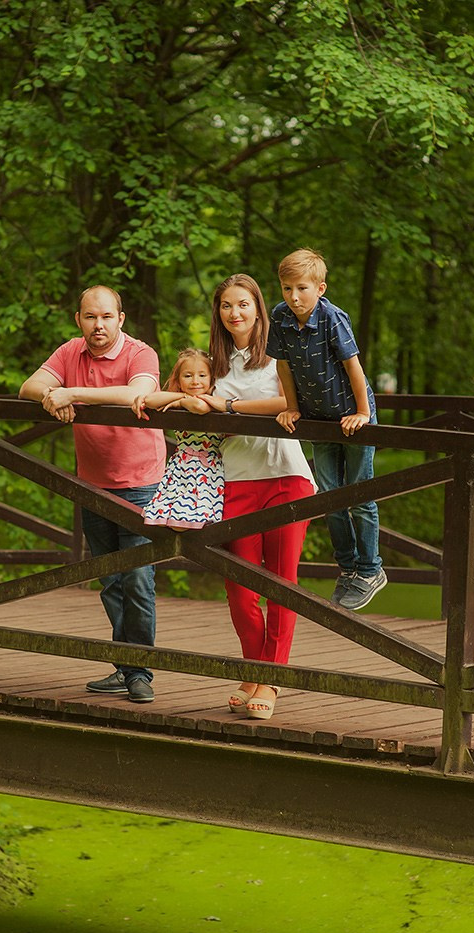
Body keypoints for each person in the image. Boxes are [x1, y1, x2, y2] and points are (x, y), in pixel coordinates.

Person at [18, 284, 166, 704]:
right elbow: (28, 385)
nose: (98, 325)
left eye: (106, 317)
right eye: (89, 317)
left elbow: (135, 394)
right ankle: (124, 666)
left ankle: (139, 672)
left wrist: (72, 393)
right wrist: (51, 395)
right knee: (110, 580)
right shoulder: (70, 352)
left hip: (142, 481)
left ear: (121, 319)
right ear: (79, 320)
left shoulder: (141, 352)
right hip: (93, 483)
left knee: (138, 577)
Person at [197, 273, 316, 721]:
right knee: (240, 587)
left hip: (286, 477)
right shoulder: (215, 364)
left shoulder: (279, 354)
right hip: (236, 480)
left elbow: (288, 399)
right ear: (219, 313)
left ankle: (270, 677)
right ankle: (253, 665)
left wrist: (226, 408)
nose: (235, 313)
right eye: (227, 306)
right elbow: (193, 397)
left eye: (243, 304)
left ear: (258, 308)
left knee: (281, 583)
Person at [267, 248, 386, 611]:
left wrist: (363, 413)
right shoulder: (280, 317)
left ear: (320, 288)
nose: (294, 296)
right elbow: (283, 368)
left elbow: (354, 367)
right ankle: (348, 568)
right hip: (319, 419)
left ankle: (371, 569)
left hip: (352, 415)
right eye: (287, 288)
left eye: (302, 288)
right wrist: (291, 406)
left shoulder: (332, 318)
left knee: (358, 495)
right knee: (330, 497)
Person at [132, 348, 225, 530]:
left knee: (190, 523)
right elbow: (150, 400)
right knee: (172, 521)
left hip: (208, 468)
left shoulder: (212, 400)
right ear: (179, 379)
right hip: (180, 466)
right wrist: (182, 397)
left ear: (212, 378)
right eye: (188, 376)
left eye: (202, 375)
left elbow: (198, 405)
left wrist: (181, 402)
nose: (195, 381)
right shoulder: (177, 397)